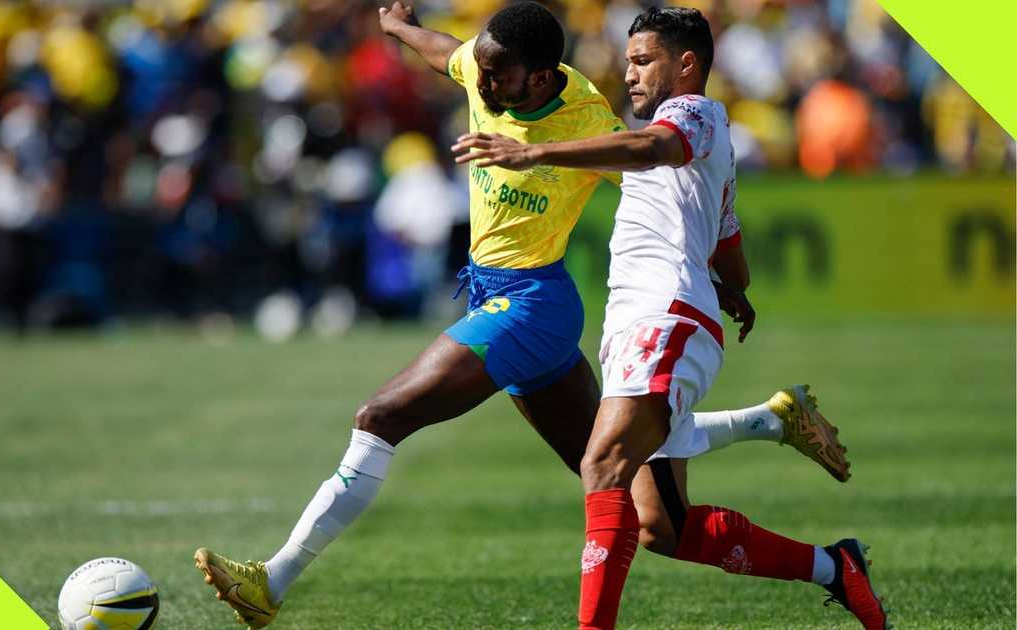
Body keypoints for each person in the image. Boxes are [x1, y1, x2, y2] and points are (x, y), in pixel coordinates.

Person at [193, 4, 849, 628]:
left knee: (380, 418)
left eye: (495, 74)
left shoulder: (589, 120)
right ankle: (771, 423)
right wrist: (400, 29)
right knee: (644, 508)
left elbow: (662, 176)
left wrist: (712, 266)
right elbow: (446, 54)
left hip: (531, 305)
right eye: (480, 69)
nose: (479, 82)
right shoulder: (486, 74)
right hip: (497, 297)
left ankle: (272, 581)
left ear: (538, 77)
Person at [452, 7, 886, 629]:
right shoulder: (705, 142)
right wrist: (735, 291)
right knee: (662, 526)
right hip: (643, 323)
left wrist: (535, 152)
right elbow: (730, 249)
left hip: (666, 316)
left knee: (601, 462)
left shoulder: (691, 114)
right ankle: (835, 567)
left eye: (642, 61)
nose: (628, 74)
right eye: (628, 60)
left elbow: (657, 148)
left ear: (686, 65)